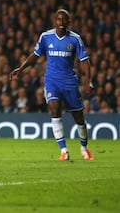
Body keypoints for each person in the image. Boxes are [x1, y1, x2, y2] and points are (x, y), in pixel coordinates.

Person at [9, 9, 94, 161]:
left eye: (64, 20)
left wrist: (88, 81)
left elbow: (84, 61)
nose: (61, 23)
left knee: (79, 117)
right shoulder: (46, 37)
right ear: (54, 21)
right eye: (58, 20)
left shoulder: (75, 39)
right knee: (54, 109)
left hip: (69, 82)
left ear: (68, 22)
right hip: (51, 80)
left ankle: (84, 148)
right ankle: (64, 151)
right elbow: (35, 55)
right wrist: (21, 68)